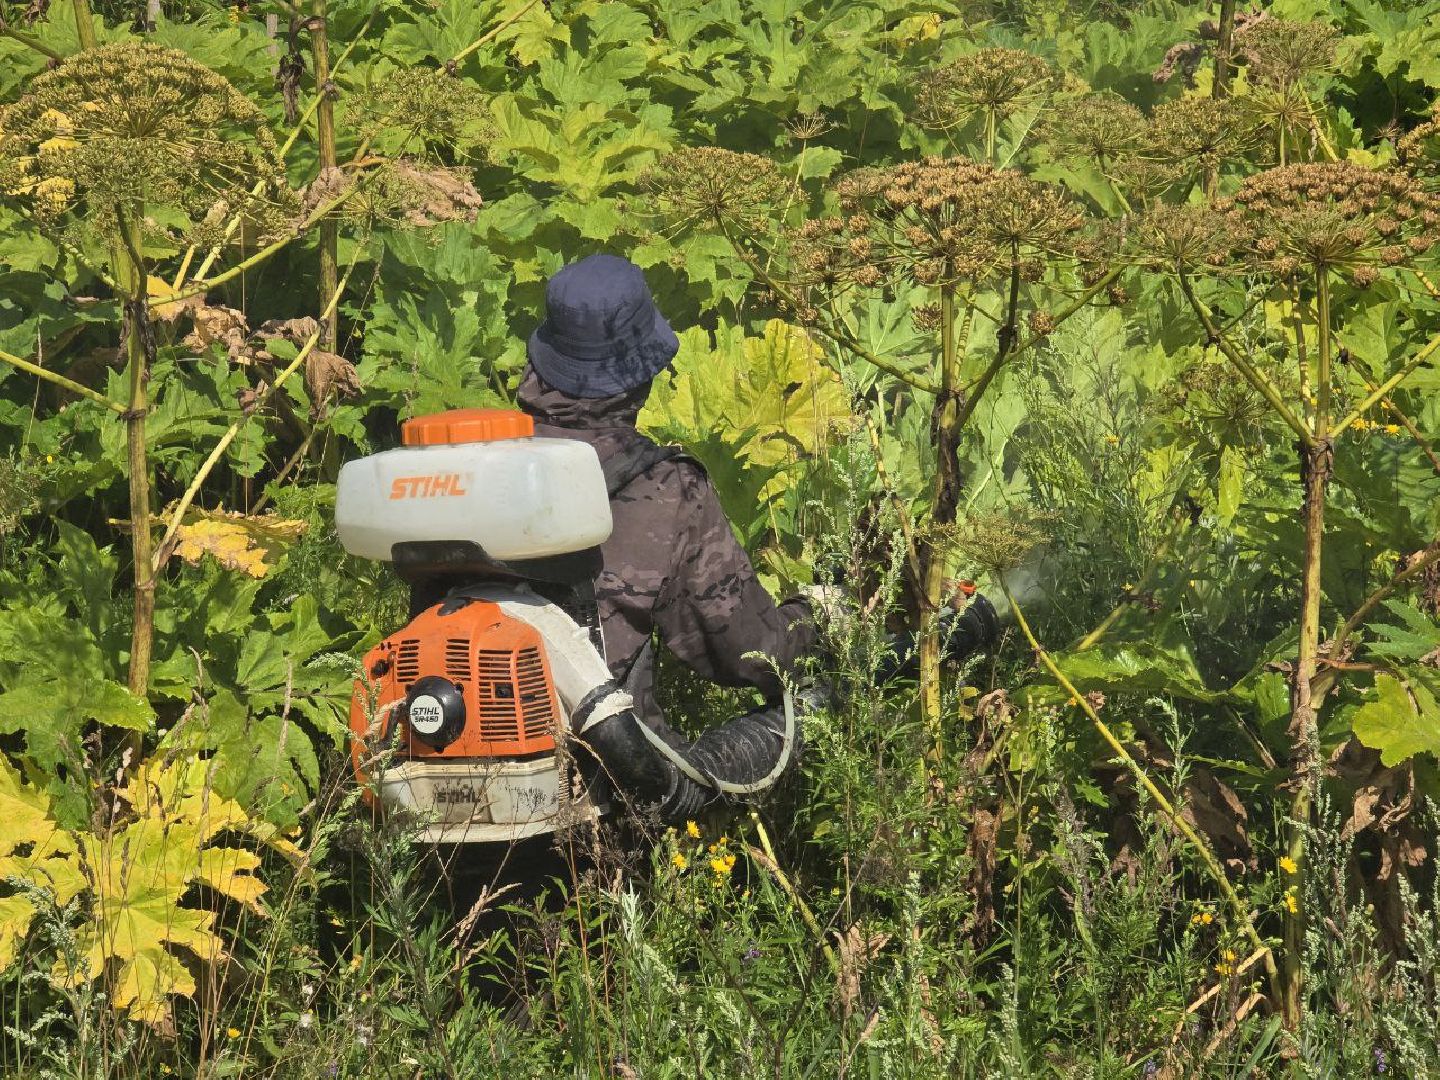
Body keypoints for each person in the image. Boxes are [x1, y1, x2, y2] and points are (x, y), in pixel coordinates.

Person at [517, 253, 997, 822]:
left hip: (437, 773)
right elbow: (754, 657)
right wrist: (824, 612)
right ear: (640, 372)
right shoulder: (664, 493)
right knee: (771, 736)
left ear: (545, 358)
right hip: (602, 798)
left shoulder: (463, 467)